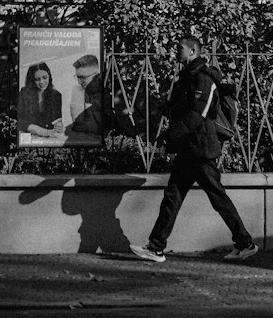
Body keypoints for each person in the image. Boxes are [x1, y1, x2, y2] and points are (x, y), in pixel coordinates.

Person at [133, 35, 257, 264]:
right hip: (189, 149)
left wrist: (169, 137)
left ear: (192, 51)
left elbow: (196, 115)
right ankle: (156, 247)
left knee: (216, 197)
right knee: (173, 196)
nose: (175, 51)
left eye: (179, 48)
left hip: (201, 149)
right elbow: (182, 110)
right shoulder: (186, 78)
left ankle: (245, 243)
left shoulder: (204, 79)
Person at [17, 62, 64, 140]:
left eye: (44, 77)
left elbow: (56, 120)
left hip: (48, 136)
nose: (42, 82)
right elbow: (21, 122)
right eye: (37, 79)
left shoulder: (56, 95)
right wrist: (42, 131)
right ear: (32, 80)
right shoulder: (24, 93)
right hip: (28, 135)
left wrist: (59, 126)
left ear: (49, 76)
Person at [67, 53, 103, 143]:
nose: (79, 82)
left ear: (96, 75)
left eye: (82, 78)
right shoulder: (79, 90)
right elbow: (77, 125)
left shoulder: (108, 92)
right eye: (78, 78)